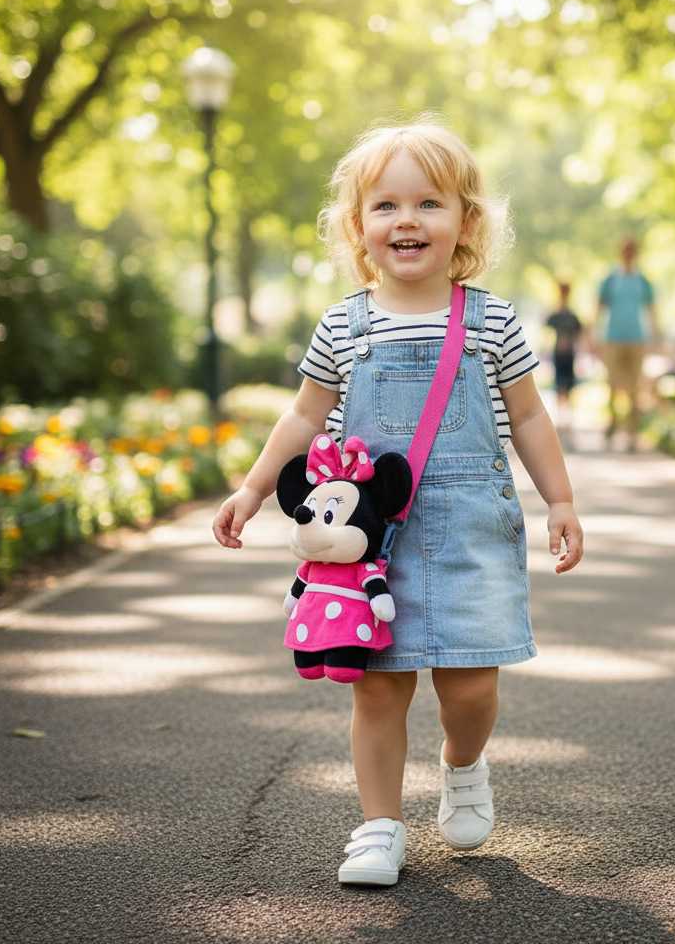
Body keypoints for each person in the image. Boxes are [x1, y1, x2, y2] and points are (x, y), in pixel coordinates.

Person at [212, 119, 584, 887]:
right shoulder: (344, 326)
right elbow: (304, 416)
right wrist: (253, 488)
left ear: (466, 221)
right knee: (377, 686)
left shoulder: (492, 322)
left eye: (428, 204)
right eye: (385, 206)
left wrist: (561, 500)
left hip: (473, 526)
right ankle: (379, 825)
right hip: (368, 540)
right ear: (358, 227)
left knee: (472, 686)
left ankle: (464, 762)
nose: (406, 220)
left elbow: (531, 416)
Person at [596, 237, 658, 446]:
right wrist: (593, 334)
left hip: (636, 338)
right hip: (613, 338)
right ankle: (613, 424)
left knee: (635, 386)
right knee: (612, 384)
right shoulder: (611, 279)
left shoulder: (643, 281)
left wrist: (656, 335)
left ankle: (632, 432)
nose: (629, 254)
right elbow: (600, 307)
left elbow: (651, 309)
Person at [545, 280, 583, 447]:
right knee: (559, 389)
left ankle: (568, 424)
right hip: (559, 355)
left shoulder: (572, 316)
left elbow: (580, 336)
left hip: (569, 356)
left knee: (569, 390)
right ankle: (560, 424)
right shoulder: (556, 315)